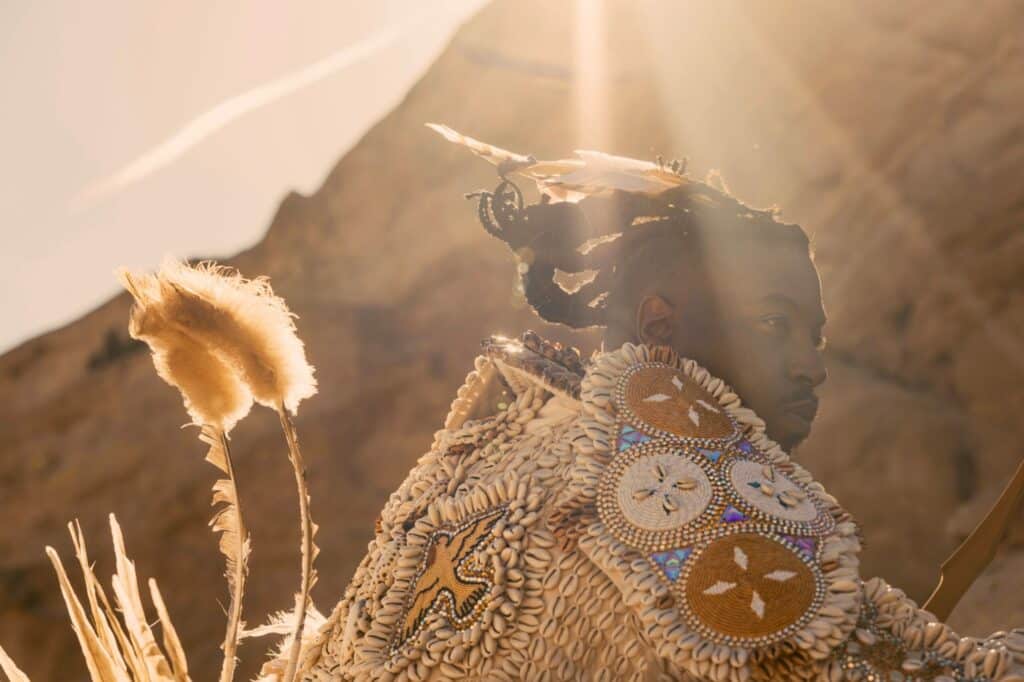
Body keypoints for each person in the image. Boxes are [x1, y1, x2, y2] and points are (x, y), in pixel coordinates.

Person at [276, 128, 1024, 681]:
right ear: (660, 323)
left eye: (816, 338)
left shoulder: (482, 459)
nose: (809, 366)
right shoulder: (673, 484)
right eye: (774, 326)